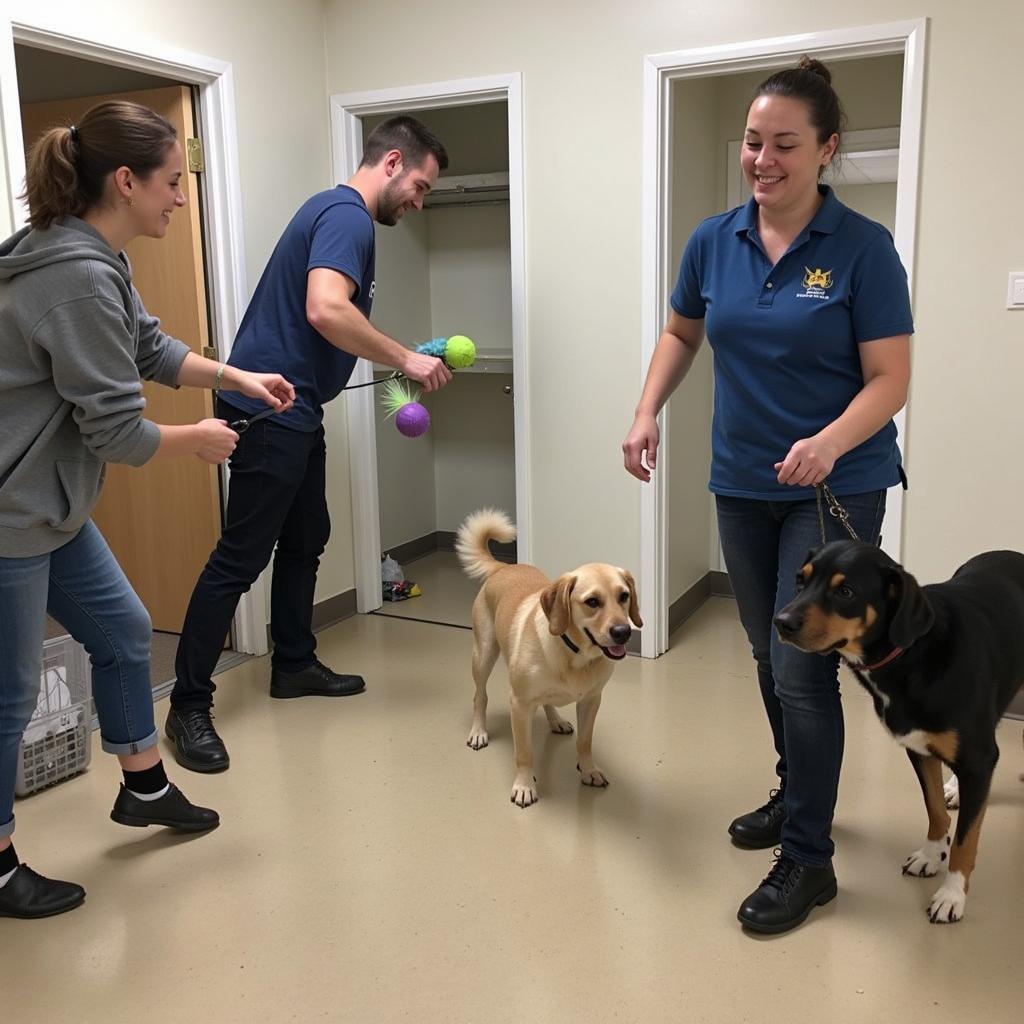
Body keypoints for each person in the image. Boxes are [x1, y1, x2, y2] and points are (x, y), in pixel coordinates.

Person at [623, 58, 913, 934]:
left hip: (837, 491)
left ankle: (809, 862)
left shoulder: (862, 249)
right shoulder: (715, 240)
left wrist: (828, 443)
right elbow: (682, 329)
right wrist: (646, 410)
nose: (763, 159)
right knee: (765, 651)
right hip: (742, 485)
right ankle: (799, 799)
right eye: (754, 142)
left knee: (803, 667)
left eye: (785, 144)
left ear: (826, 150)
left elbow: (890, 379)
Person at [0, 101, 295, 919]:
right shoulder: (74, 273)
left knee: (126, 633)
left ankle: (143, 786)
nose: (179, 197)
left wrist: (234, 379)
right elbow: (118, 431)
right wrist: (197, 440)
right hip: (9, 516)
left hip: (49, 503)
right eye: (171, 182)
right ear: (125, 181)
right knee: (10, 696)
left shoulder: (100, 257)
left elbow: (148, 349)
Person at [166, 116, 453, 773]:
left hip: (293, 406)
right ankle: (187, 706)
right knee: (239, 559)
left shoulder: (335, 213)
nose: (419, 200)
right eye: (420, 185)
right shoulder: (347, 216)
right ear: (389, 164)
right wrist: (405, 358)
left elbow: (326, 317)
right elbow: (327, 308)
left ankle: (292, 661)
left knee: (306, 536)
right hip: (271, 409)